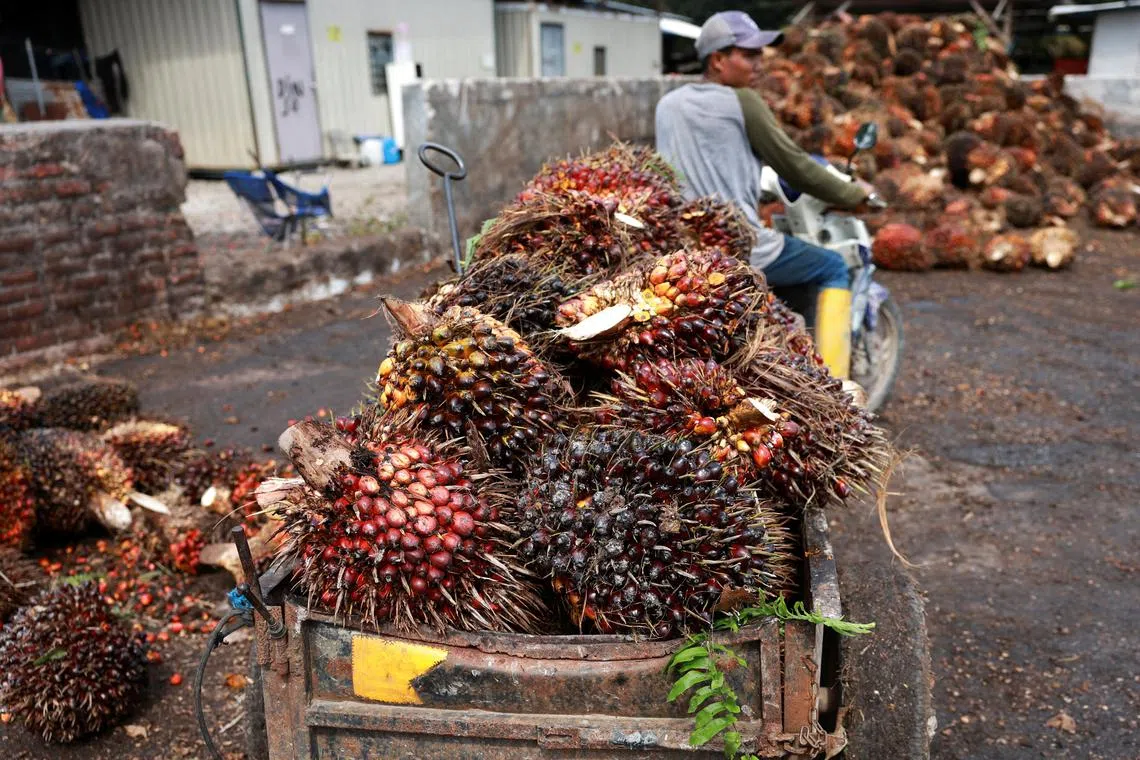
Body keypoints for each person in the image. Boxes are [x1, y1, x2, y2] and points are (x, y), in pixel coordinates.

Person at [655, 10, 880, 380]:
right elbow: (794, 165)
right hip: (734, 244)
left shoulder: (668, 104)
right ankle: (837, 386)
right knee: (832, 266)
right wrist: (855, 195)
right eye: (749, 55)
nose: (759, 63)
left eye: (760, 54)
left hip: (677, 248)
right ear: (718, 59)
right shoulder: (742, 101)